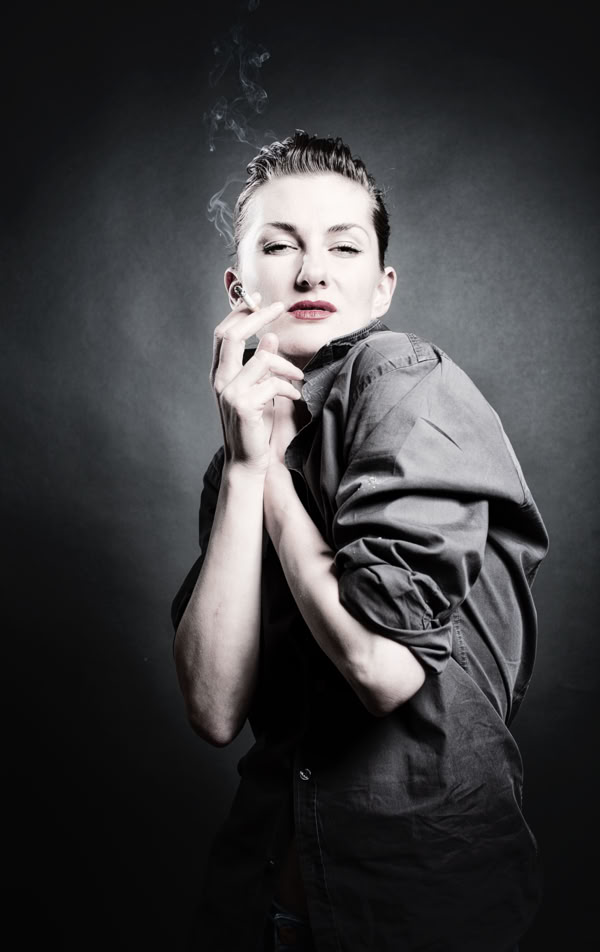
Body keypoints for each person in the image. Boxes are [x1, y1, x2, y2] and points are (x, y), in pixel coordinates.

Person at [171, 130, 549, 952]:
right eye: (280, 245)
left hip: (419, 916)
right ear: (238, 289)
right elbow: (213, 709)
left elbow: (382, 670)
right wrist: (246, 471)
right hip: (257, 900)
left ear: (382, 289)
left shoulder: (401, 377)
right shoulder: (239, 460)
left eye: (344, 247)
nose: (312, 272)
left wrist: (268, 478)